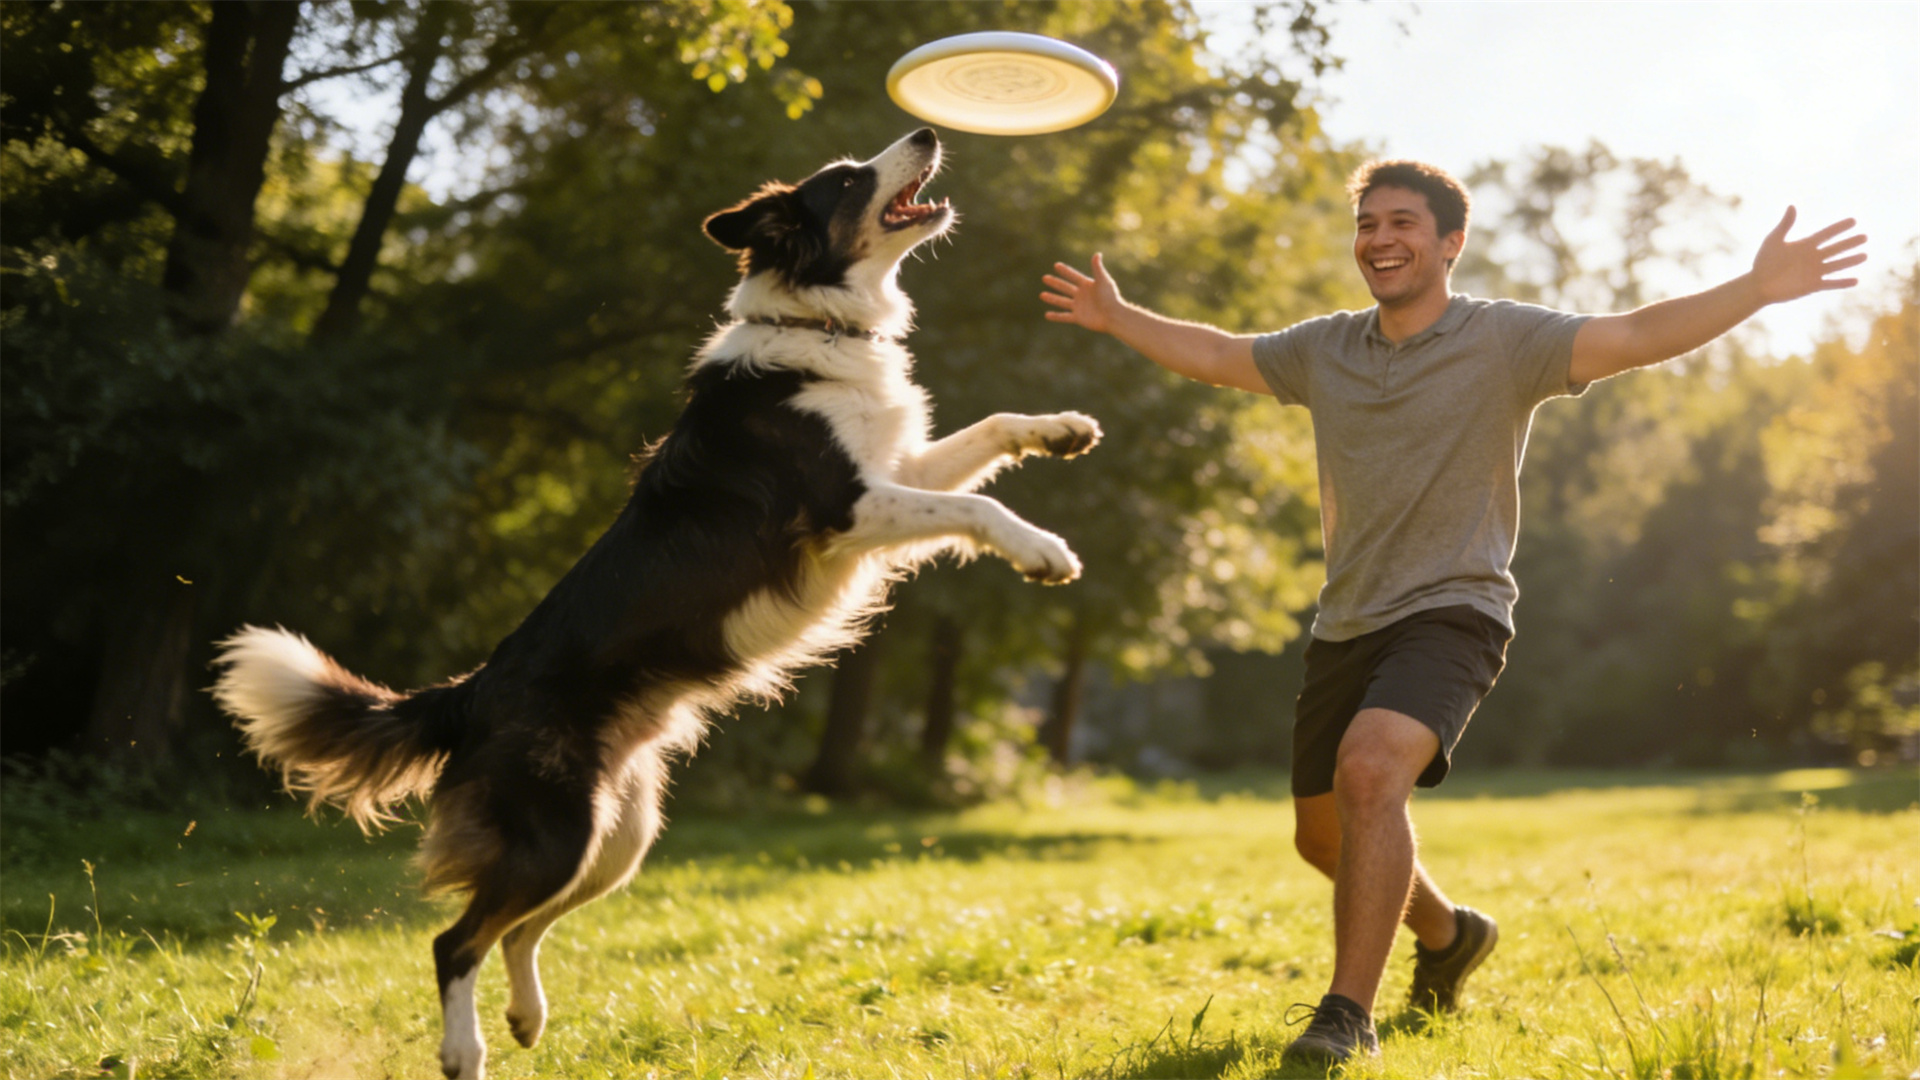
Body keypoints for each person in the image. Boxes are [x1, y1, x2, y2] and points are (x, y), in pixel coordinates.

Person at [1039, 160, 1865, 1065]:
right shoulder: (1327, 349)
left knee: (1370, 771)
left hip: (1456, 608)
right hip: (1346, 620)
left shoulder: (1504, 340)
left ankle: (1344, 1017)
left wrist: (1754, 287)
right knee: (1324, 838)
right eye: (1367, 224)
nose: (1380, 239)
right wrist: (1119, 317)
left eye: (1402, 222)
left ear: (1448, 242)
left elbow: (1632, 334)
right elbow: (1219, 355)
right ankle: (1449, 934)